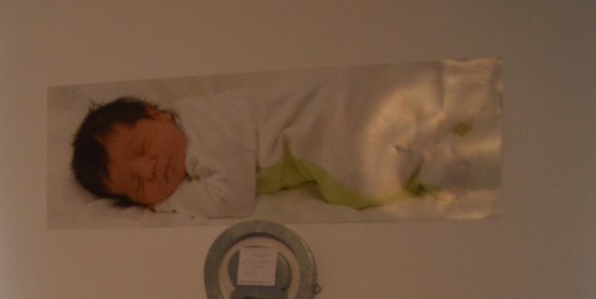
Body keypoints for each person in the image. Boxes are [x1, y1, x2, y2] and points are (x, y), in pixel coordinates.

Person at [70, 70, 488, 218]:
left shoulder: (204, 128)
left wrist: (168, 202)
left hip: (317, 124)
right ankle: (445, 114)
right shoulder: (188, 130)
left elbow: (233, 199)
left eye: (143, 149)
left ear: (156, 113)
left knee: (356, 183)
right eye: (138, 186)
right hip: (335, 109)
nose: (150, 170)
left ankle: (434, 162)